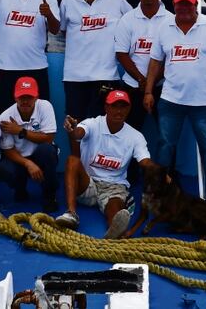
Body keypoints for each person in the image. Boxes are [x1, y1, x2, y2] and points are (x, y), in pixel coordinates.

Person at [144, 0, 206, 211]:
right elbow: (155, 61)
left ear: (195, 5)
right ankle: (161, 195)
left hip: (203, 103)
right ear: (173, 5)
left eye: (188, 5)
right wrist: (148, 91)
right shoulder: (165, 27)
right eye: (180, 5)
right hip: (170, 100)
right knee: (164, 148)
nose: (184, 9)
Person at [55, 90, 153, 238]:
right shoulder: (93, 123)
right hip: (88, 183)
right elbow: (78, 133)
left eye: (123, 107)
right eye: (114, 106)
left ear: (129, 109)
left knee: (116, 213)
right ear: (106, 108)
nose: (119, 111)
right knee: (72, 160)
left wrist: (161, 172)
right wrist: (73, 129)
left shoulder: (135, 136)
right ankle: (71, 214)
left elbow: (145, 161)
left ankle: (114, 232)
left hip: (114, 186)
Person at [59, 0, 131, 121]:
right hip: (74, 75)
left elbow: (131, 20)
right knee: (73, 123)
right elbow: (63, 29)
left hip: (106, 74)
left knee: (104, 125)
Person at [113, 0, 173, 132]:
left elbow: (171, 56)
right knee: (128, 136)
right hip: (133, 85)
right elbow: (121, 54)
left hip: (162, 87)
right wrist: (141, 79)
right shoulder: (127, 19)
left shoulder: (171, 20)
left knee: (167, 137)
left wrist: (152, 82)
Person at [0, 76, 60, 212]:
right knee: (3, 169)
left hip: (41, 155)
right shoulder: (5, 116)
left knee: (47, 151)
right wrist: (27, 163)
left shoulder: (45, 106)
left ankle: (49, 195)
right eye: (21, 97)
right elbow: (7, 149)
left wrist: (20, 131)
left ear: (36, 96)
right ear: (15, 97)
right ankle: (20, 188)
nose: (25, 101)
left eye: (29, 97)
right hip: (21, 159)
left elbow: (49, 138)